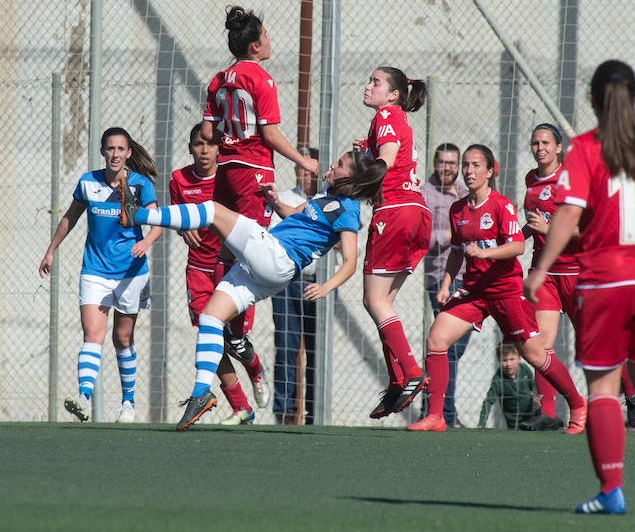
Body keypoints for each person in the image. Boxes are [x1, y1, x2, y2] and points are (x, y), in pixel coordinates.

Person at [524, 60, 635, 516]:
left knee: (603, 387)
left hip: (607, 278)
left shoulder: (587, 147)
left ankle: (611, 491)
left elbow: (567, 214)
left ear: (591, 99)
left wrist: (540, 268)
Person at [119, 150, 385, 430]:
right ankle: (201, 393)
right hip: (273, 270)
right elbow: (294, 216)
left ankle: (137, 215)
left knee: (213, 210)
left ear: (352, 178)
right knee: (210, 318)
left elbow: (351, 262)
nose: (333, 164)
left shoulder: (349, 210)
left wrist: (326, 286)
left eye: (340, 164)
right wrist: (276, 201)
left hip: (277, 257)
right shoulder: (326, 192)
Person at [407, 144, 587, 433]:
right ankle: (436, 416)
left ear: (490, 172)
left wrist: (485, 254)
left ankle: (577, 404)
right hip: (475, 292)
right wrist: (445, 285)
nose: (469, 171)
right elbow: (456, 251)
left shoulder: (501, 205)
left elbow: (516, 245)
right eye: (466, 165)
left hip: (506, 291)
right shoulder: (458, 209)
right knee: (436, 340)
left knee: (535, 354)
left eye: (476, 165)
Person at [201, 5, 319, 412]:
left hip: (226, 172)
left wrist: (229, 132)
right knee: (255, 253)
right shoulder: (261, 77)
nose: (270, 39)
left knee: (228, 251)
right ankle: (239, 334)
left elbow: (207, 131)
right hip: (253, 172)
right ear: (255, 45)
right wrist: (303, 161)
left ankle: (232, 330)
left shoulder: (218, 79)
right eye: (266, 35)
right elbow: (268, 133)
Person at [518, 123, 635, 432]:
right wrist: (515, 239)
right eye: (535, 143)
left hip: (575, 272)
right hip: (544, 273)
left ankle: (630, 392)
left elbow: (587, 228)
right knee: (540, 346)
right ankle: (547, 412)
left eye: (546, 142)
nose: (540, 148)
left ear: (559, 147)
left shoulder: (572, 179)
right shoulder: (531, 179)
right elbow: (535, 224)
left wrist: (553, 230)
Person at [39, 127, 162, 423]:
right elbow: (70, 216)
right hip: (94, 270)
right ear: (102, 151)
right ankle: (83, 396)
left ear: (129, 153)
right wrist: (51, 249)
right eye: (110, 149)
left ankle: (128, 403)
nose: (115, 154)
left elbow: (157, 220)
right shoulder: (87, 182)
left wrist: (146, 241)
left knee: (122, 338)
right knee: (93, 334)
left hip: (131, 273)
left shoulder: (140, 185)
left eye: (121, 149)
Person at [352, 66, 433, 420]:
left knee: (373, 299)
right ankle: (398, 382)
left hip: (395, 212)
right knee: (382, 302)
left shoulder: (386, 114)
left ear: (394, 94)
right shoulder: (396, 117)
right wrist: (368, 152)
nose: (368, 86)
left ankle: (411, 373)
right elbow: (389, 153)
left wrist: (356, 179)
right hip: (415, 211)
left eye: (376, 82)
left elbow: (385, 162)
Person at [169, 123, 257, 425]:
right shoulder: (179, 179)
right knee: (208, 335)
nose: (203, 150)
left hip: (231, 269)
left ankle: (256, 371)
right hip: (198, 268)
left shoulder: (230, 176)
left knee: (235, 340)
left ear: (220, 147)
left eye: (209, 144)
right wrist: (183, 228)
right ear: (190, 148)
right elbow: (178, 215)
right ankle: (240, 405)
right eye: (197, 144)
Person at [269, 150, 320, 425]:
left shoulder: (328, 201)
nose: (307, 174)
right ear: (296, 170)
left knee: (316, 349)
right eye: (302, 168)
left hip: (317, 282)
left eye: (312, 169)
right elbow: (278, 237)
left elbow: (351, 245)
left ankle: (314, 409)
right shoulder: (285, 199)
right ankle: (284, 410)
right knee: (286, 345)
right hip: (288, 281)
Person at [421, 143, 469, 428]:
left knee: (452, 348)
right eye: (442, 162)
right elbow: (421, 238)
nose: (447, 168)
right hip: (442, 279)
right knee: (448, 347)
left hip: (473, 277)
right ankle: (444, 412)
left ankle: (436, 406)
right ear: (435, 163)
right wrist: (453, 233)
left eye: (453, 163)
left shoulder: (466, 192)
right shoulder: (425, 194)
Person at [477, 343, 541, 430]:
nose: (508, 364)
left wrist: (536, 396)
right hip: (512, 420)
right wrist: (481, 423)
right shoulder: (498, 378)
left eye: (512, 359)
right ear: (499, 360)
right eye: (504, 360)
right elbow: (489, 400)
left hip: (530, 413)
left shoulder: (524, 369)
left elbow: (534, 385)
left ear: (519, 358)